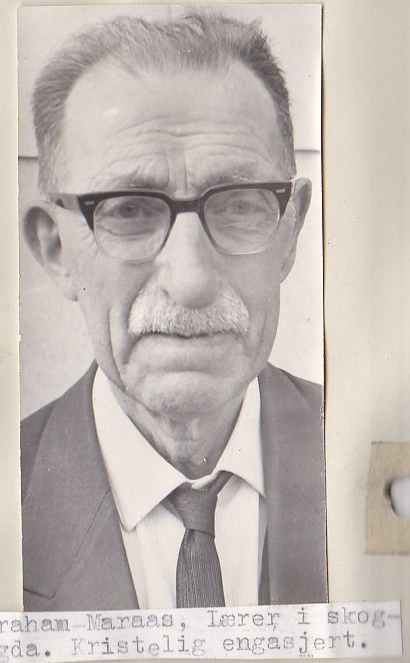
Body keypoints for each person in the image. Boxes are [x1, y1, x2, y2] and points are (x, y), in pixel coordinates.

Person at [20, 10, 327, 611]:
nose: (190, 282)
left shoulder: (379, 459)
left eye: (238, 204)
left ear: (290, 232)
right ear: (56, 250)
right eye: (128, 211)